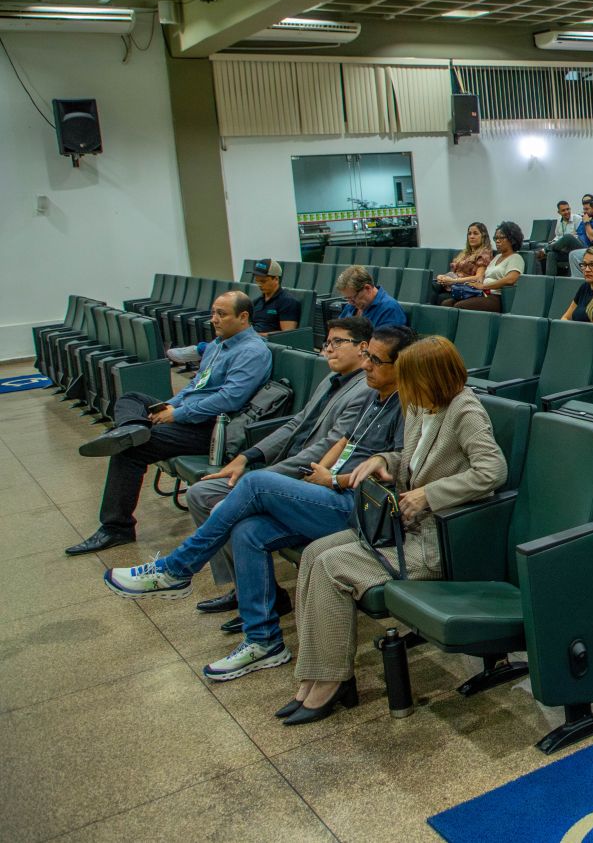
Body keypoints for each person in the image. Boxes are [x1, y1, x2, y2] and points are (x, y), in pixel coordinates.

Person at [103, 326, 411, 682]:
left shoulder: (406, 405)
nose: (367, 364)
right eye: (368, 356)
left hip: (359, 508)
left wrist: (334, 479)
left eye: (375, 359)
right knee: (248, 530)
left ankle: (176, 569)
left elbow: (395, 466)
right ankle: (264, 641)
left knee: (255, 482)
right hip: (328, 491)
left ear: (401, 365)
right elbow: (344, 439)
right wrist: (324, 470)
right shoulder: (376, 394)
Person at [281, 336, 506, 724]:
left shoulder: (465, 410)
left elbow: (492, 471)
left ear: (430, 377)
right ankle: (315, 674)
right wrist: (383, 460)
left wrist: (428, 495)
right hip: (402, 528)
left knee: (334, 567)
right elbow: (411, 457)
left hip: (437, 538)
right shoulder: (421, 405)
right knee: (316, 552)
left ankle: (332, 681)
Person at [183, 316, 377, 633]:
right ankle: (246, 589)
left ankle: (244, 591)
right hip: (284, 467)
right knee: (199, 495)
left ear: (363, 347)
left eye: (337, 342)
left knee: (229, 508)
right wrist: (248, 457)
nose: (328, 349)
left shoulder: (364, 390)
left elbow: (327, 449)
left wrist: (265, 478)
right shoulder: (331, 379)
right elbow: (295, 423)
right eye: (326, 342)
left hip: (307, 477)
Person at [68, 292, 273, 555]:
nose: (214, 320)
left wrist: (177, 415)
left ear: (243, 317)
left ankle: (117, 527)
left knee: (130, 450)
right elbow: (194, 386)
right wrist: (171, 405)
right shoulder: (217, 346)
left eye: (221, 314)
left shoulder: (252, 351)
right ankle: (133, 428)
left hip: (213, 428)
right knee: (132, 398)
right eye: (213, 312)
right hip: (190, 415)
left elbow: (229, 399)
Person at [168, 259, 301, 367]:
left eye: (263, 281)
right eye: (257, 280)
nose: (259, 284)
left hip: (264, 341)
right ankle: (205, 356)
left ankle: (201, 350)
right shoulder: (257, 301)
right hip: (250, 336)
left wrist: (255, 334)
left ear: (276, 279)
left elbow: (287, 333)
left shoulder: (287, 301)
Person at [442, 222, 523, 312]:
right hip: (482, 293)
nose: (497, 241)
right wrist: (479, 280)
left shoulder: (516, 258)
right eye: (496, 238)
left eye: (502, 238)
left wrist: (484, 286)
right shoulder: (497, 257)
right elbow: (484, 274)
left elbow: (510, 280)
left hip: (496, 297)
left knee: (459, 306)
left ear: (512, 240)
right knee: (446, 303)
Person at [334, 265, 406, 329]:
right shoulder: (351, 305)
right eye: (347, 298)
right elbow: (338, 331)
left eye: (353, 297)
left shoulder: (389, 309)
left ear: (367, 288)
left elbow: (384, 343)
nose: (350, 302)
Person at [433, 223, 491, 301]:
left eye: (475, 233)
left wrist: (453, 281)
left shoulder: (484, 254)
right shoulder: (465, 253)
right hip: (452, 284)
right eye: (469, 234)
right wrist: (443, 277)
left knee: (439, 297)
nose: (471, 236)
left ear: (483, 237)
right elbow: (455, 273)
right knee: (431, 286)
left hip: (465, 288)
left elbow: (478, 278)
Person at [539, 200, 581, 275]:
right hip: (563, 249)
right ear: (559, 212)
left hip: (574, 248)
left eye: (568, 209)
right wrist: (554, 243)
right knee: (551, 254)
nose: (567, 212)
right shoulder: (559, 220)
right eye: (563, 210)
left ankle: (545, 249)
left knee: (568, 237)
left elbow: (578, 237)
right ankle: (550, 281)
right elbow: (558, 236)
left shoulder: (577, 219)